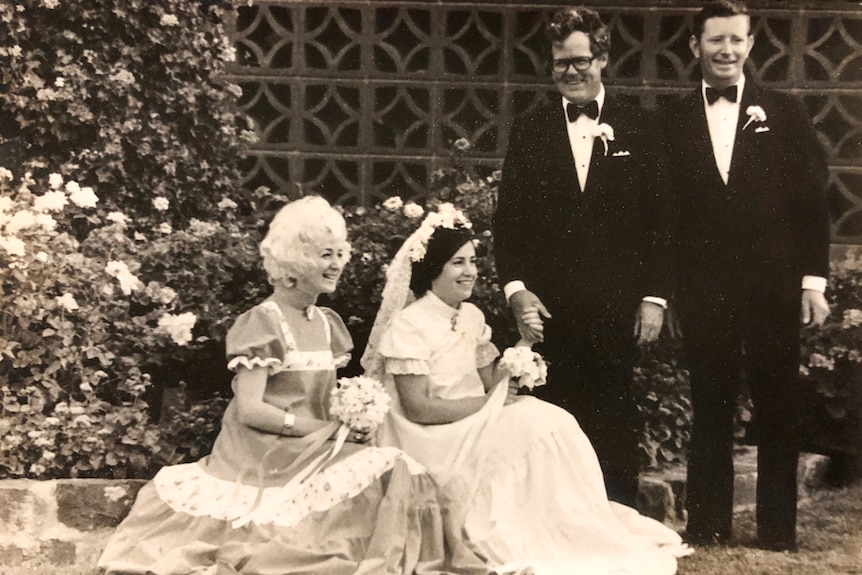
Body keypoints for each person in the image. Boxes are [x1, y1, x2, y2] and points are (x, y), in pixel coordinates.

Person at [98, 196, 489, 575]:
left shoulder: (326, 323)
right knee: (392, 465)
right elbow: (251, 409)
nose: (337, 264)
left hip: (313, 442)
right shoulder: (263, 322)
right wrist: (320, 431)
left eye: (339, 254)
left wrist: (351, 420)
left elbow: (323, 400)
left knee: (399, 467)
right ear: (295, 263)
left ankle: (404, 559)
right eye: (325, 255)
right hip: (264, 451)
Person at [362, 205, 690, 575]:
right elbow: (418, 408)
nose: (470, 271)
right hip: (433, 435)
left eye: (472, 261)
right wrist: (488, 406)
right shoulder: (410, 325)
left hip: (473, 416)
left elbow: (492, 380)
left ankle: (566, 526)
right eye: (457, 262)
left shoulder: (471, 316)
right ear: (432, 267)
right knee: (529, 425)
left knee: (552, 418)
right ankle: (523, 528)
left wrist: (523, 347)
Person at [663, 0, 831, 552]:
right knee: (710, 404)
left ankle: (777, 530)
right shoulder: (672, 118)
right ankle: (708, 523)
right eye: (715, 40)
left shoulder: (783, 113)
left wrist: (813, 281)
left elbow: (811, 202)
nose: (726, 50)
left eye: (736, 39)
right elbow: (663, 213)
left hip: (772, 287)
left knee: (776, 405)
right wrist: (664, 291)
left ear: (751, 45)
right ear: (695, 47)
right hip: (704, 289)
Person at [492, 6, 672, 507]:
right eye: (560, 64)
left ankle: (616, 520)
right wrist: (517, 290)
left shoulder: (638, 128)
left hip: (617, 308)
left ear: (603, 59)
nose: (571, 72)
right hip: (549, 312)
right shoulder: (530, 132)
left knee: (613, 414)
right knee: (550, 416)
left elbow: (661, 222)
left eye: (580, 61)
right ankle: (554, 521)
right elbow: (509, 224)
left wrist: (654, 297)